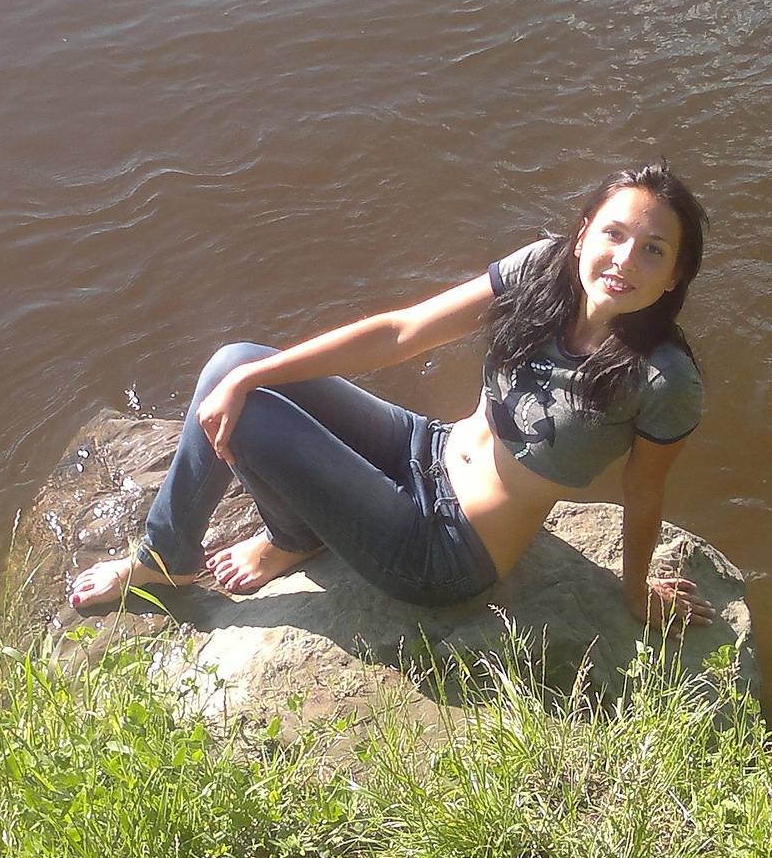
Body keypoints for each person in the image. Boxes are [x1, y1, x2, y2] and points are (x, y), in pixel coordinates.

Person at [69, 162, 714, 626]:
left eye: (653, 250)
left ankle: (201, 554)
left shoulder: (663, 378)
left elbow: (644, 488)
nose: (624, 260)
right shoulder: (542, 270)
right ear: (583, 234)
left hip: (443, 550)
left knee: (251, 421)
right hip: (424, 447)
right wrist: (251, 376)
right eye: (614, 234)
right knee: (232, 365)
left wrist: (636, 591)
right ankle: (232, 545)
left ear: (676, 275)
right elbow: (403, 331)